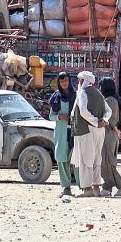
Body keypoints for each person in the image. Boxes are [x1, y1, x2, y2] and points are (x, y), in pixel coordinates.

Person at [70, 71, 110, 197]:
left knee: (85, 158)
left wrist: (95, 122)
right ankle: (96, 187)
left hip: (86, 129)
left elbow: (83, 111)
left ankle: (87, 189)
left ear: (83, 81)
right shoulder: (99, 94)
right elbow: (109, 111)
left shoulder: (82, 93)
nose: (78, 83)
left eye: (80, 80)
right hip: (99, 130)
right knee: (96, 157)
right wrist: (104, 120)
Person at [98, 77, 121, 197]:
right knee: (106, 161)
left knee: (107, 161)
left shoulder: (110, 100)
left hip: (109, 133)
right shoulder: (111, 99)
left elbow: (111, 119)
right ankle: (107, 188)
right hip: (109, 133)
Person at [47, 72, 76, 200]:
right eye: (62, 81)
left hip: (75, 131)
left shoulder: (76, 96)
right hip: (61, 131)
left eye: (66, 81)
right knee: (61, 158)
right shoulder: (56, 97)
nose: (64, 84)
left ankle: (84, 187)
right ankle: (66, 187)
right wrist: (59, 117)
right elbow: (51, 116)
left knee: (75, 158)